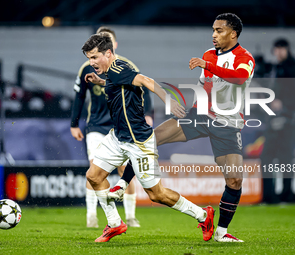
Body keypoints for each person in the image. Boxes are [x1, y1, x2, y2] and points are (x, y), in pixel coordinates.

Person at [110, 13, 254, 243]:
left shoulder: (244, 57)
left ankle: (221, 232)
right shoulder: (209, 55)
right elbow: (204, 85)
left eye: (219, 30)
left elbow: (238, 78)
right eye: (213, 30)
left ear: (233, 33)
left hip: (227, 123)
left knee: (235, 180)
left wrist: (207, 64)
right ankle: (121, 184)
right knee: (151, 138)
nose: (214, 34)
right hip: (200, 115)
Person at [81, 33, 215, 242]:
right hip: (118, 138)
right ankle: (115, 224)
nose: (92, 62)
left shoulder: (120, 68)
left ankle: (203, 215)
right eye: (89, 58)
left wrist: (168, 100)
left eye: (95, 57)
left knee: (157, 194)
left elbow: (146, 80)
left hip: (138, 142)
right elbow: (119, 85)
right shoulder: (112, 73)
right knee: (94, 176)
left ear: (108, 53)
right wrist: (100, 80)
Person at [70, 27, 152, 228]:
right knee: (94, 168)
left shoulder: (126, 66)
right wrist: (74, 124)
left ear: (113, 46)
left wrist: (147, 114)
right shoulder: (87, 68)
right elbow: (79, 96)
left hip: (121, 126)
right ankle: (91, 216)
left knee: (124, 170)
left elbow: (143, 90)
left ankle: (130, 216)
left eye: (107, 40)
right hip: (96, 125)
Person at [259, 38, 295, 203]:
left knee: (285, 159)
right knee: (267, 158)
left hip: (288, 121)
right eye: (276, 49)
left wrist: (283, 104)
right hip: (273, 121)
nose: (278, 52)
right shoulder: (274, 71)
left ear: (287, 50)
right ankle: (269, 196)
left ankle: (286, 195)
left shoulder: (292, 70)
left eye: (281, 48)